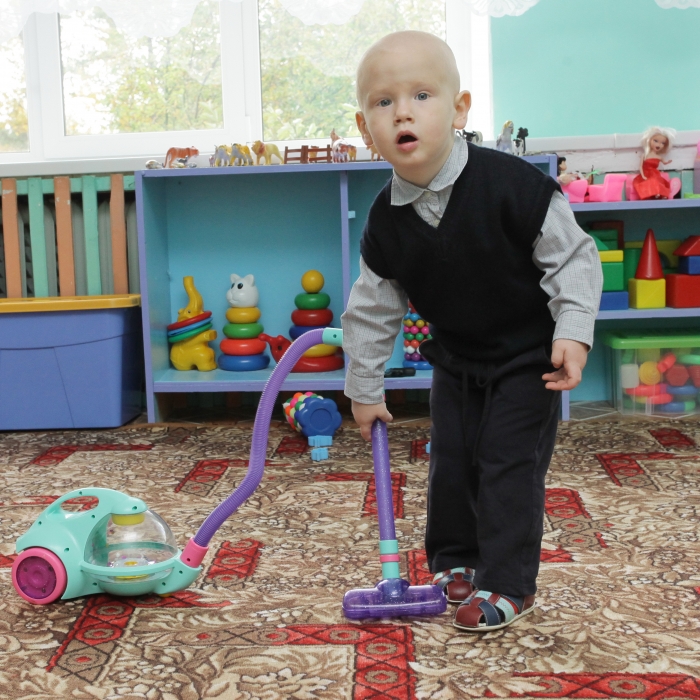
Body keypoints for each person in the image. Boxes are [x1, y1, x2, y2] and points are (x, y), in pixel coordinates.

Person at [340, 31, 602, 633]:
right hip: (456, 358)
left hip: (528, 357)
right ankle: (456, 560)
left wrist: (573, 328)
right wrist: (365, 385)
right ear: (365, 129)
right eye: (383, 102)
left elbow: (573, 257)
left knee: (506, 463)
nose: (402, 113)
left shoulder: (513, 185)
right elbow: (373, 307)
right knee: (452, 461)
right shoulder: (384, 220)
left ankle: (509, 582)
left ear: (459, 110)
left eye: (421, 95)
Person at [633, 126, 676, 200]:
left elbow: (664, 162)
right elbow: (641, 166)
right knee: (651, 182)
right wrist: (643, 175)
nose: (659, 145)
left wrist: (667, 162)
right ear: (649, 140)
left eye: (662, 143)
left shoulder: (659, 157)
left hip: (655, 174)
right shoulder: (645, 155)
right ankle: (654, 193)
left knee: (658, 181)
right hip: (646, 174)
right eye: (655, 141)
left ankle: (659, 193)